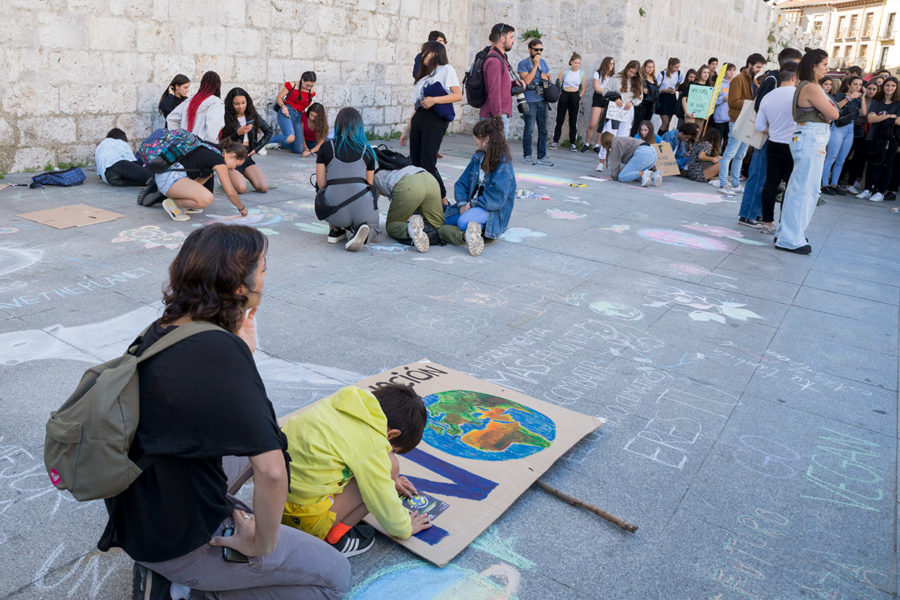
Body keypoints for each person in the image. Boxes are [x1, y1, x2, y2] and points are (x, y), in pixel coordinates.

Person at [102, 224, 350, 600]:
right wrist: (261, 543)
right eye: (263, 269)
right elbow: (270, 469)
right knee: (334, 579)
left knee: (259, 443)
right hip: (180, 541)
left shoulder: (164, 328)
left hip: (141, 511)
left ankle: (182, 576)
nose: (267, 278)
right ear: (239, 287)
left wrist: (242, 355)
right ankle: (188, 590)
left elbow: (224, 409)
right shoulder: (221, 352)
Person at [280, 384, 431, 557]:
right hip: (299, 519)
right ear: (392, 434)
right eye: (393, 449)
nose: (389, 453)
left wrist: (389, 477)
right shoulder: (371, 443)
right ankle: (332, 541)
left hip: (270, 499)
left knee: (380, 471)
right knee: (373, 485)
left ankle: (330, 524)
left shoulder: (346, 403)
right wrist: (405, 527)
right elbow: (383, 499)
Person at [776, 49, 839, 254]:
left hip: (810, 137)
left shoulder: (810, 86)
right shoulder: (811, 87)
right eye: (824, 65)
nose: (827, 68)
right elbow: (834, 113)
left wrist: (828, 113)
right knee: (805, 190)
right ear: (814, 66)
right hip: (811, 137)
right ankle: (791, 237)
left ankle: (789, 233)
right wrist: (828, 113)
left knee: (802, 188)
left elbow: (830, 113)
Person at [736, 48, 803, 227]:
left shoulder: (779, 81)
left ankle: (757, 213)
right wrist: (772, 127)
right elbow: (760, 106)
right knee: (759, 175)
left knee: (767, 178)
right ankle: (748, 213)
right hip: (768, 136)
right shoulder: (773, 80)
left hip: (775, 135)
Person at [440, 117, 515, 256]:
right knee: (444, 219)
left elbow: (496, 198)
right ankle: (472, 234)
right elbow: (462, 183)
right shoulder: (478, 158)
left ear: (486, 138)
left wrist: (472, 205)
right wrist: (463, 204)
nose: (474, 139)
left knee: (462, 223)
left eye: (477, 136)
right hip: (471, 205)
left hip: (491, 209)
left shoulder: (503, 165)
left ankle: (482, 230)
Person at [399, 40, 462, 204]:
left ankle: (442, 200)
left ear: (434, 53)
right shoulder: (423, 77)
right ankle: (422, 197)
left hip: (434, 119)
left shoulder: (446, 70)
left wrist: (434, 100)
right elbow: (417, 106)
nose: (422, 55)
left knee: (428, 161)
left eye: (425, 52)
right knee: (415, 161)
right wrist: (406, 131)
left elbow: (457, 95)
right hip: (420, 118)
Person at [315, 107, 379, 251]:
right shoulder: (367, 150)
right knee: (372, 226)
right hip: (362, 208)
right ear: (359, 126)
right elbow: (369, 184)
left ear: (338, 124)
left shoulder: (326, 147)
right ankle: (359, 231)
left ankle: (335, 230)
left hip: (334, 211)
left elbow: (321, 183)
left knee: (322, 190)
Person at [145, 142, 249, 222]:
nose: (233, 169)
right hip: (169, 178)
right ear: (234, 156)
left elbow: (197, 181)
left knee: (202, 197)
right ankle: (171, 203)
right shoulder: (219, 162)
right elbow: (230, 192)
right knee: (207, 198)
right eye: (237, 165)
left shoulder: (214, 149)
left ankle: (183, 204)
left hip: (168, 174)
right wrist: (242, 208)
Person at [757, 64, 799, 234]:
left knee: (771, 183)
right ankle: (786, 224)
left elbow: (760, 125)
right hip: (794, 144)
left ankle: (767, 222)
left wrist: (773, 130)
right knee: (791, 186)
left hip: (774, 142)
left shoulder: (768, 97)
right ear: (795, 78)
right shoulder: (799, 95)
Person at [718, 53, 767, 196]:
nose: (759, 70)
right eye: (758, 67)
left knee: (740, 155)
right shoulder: (738, 79)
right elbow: (733, 101)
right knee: (729, 154)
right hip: (738, 121)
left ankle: (734, 183)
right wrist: (753, 104)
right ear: (750, 65)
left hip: (747, 121)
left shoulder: (753, 80)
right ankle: (722, 183)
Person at [373, 164, 445, 253]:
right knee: (438, 226)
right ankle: (463, 235)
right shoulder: (392, 163)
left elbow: (371, 205)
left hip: (409, 186)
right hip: (429, 178)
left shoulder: (370, 174)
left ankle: (409, 228)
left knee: (392, 226)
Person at [220, 88, 273, 194]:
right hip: (232, 157)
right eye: (236, 104)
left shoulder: (252, 115)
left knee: (264, 187)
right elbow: (221, 143)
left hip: (247, 156)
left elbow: (269, 131)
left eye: (243, 103)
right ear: (231, 104)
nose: (240, 107)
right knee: (240, 188)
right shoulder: (225, 117)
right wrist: (237, 134)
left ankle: (239, 176)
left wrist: (256, 148)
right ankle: (227, 175)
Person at [821, 75, 865, 195]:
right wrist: (849, 97)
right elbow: (835, 108)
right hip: (838, 128)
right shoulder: (840, 95)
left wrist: (863, 97)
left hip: (850, 129)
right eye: (855, 84)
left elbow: (864, 113)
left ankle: (834, 184)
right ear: (849, 85)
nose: (858, 87)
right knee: (831, 157)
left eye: (860, 85)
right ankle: (824, 184)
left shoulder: (858, 98)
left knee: (841, 159)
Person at [858, 77, 899, 202]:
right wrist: (890, 116)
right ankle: (867, 189)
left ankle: (880, 191)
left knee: (887, 165)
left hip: (890, 139)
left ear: (896, 88)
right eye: (887, 85)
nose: (889, 88)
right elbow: (870, 119)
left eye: (893, 86)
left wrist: (880, 117)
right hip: (874, 137)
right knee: (871, 163)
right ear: (883, 87)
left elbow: (898, 121)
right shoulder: (877, 102)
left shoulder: (898, 103)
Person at [518, 38, 554, 165]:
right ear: (530, 50)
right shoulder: (523, 63)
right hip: (530, 100)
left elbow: (549, 77)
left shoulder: (543, 62)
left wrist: (546, 77)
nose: (539, 52)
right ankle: (527, 155)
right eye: (536, 50)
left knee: (543, 129)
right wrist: (535, 65)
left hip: (542, 100)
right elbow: (527, 81)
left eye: (541, 50)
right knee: (529, 129)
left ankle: (541, 156)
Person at [166, 71, 225, 144]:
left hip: (186, 147)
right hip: (203, 148)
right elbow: (212, 130)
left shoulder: (189, 101)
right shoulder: (216, 103)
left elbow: (171, 118)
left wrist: (178, 139)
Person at [480, 23, 516, 138]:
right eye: (511, 37)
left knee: (491, 154)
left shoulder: (500, 57)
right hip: (494, 117)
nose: (513, 41)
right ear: (502, 38)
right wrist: (498, 118)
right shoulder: (495, 61)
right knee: (493, 154)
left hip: (496, 115)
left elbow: (500, 86)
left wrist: (515, 84)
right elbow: (494, 91)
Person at [270, 72, 317, 154]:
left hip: (298, 116)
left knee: (298, 149)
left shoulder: (310, 91)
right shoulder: (292, 85)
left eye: (311, 86)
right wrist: (283, 107)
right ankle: (264, 141)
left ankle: (277, 144)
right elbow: (278, 98)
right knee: (290, 137)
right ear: (302, 80)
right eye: (307, 85)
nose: (309, 88)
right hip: (287, 112)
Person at [846, 80, 880, 194]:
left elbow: (866, 116)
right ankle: (840, 180)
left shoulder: (877, 103)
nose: (871, 91)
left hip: (866, 133)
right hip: (853, 128)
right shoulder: (858, 97)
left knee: (859, 159)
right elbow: (859, 114)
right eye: (869, 88)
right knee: (846, 155)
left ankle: (853, 181)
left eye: (874, 89)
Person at [551, 52, 586, 150]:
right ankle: (555, 141)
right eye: (575, 62)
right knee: (560, 119)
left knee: (573, 120)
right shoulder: (564, 71)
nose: (577, 65)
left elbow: (583, 88)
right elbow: (557, 83)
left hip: (575, 96)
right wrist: (559, 93)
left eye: (579, 63)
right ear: (571, 62)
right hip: (564, 94)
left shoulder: (581, 74)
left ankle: (573, 143)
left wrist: (580, 96)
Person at [582, 56, 615, 153]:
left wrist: (607, 92)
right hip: (598, 99)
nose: (611, 66)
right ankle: (586, 143)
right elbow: (596, 88)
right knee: (592, 124)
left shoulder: (613, 77)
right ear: (605, 64)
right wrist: (608, 92)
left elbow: (613, 89)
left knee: (602, 124)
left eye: (613, 64)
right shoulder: (597, 74)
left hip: (608, 100)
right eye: (610, 64)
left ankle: (597, 145)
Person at [603, 60, 643, 137]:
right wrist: (616, 98)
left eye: (634, 73)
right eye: (630, 72)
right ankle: (607, 149)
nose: (632, 74)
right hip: (615, 108)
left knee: (623, 134)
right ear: (627, 68)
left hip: (628, 110)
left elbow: (639, 97)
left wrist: (632, 102)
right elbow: (605, 91)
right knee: (610, 134)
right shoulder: (616, 77)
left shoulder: (638, 81)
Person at [630, 59, 659, 137]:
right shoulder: (641, 77)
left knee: (646, 126)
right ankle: (633, 141)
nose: (650, 69)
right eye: (648, 67)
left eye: (652, 67)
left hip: (650, 105)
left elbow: (656, 91)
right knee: (637, 125)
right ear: (644, 67)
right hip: (641, 105)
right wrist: (646, 90)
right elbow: (639, 89)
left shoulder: (654, 78)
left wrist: (649, 91)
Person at [712, 64, 737, 148]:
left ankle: (724, 158)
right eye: (729, 70)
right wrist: (723, 98)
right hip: (720, 117)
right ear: (725, 72)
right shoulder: (719, 84)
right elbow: (713, 101)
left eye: (733, 70)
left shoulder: (736, 83)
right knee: (717, 140)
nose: (731, 73)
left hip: (731, 118)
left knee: (728, 141)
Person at [656, 58, 683, 133]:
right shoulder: (662, 74)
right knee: (665, 123)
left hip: (672, 98)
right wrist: (665, 90)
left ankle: (665, 141)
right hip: (663, 98)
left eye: (678, 67)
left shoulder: (679, 73)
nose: (677, 69)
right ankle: (658, 141)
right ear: (671, 66)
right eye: (676, 67)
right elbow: (656, 90)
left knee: (668, 124)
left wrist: (675, 89)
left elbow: (678, 85)